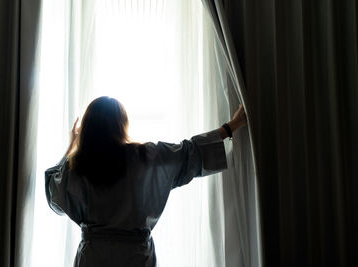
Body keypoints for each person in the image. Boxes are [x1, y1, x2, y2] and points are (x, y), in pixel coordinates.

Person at [45, 96, 247, 267]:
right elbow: (190, 152)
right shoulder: (145, 157)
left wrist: (72, 146)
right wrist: (232, 126)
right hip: (135, 256)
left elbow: (55, 193)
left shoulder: (79, 167)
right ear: (121, 124)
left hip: (94, 256)